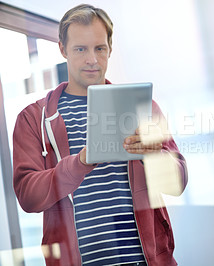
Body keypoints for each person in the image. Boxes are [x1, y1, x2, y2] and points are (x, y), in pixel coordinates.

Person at [12, 4, 188, 266]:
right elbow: (28, 196)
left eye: (99, 48)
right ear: (62, 50)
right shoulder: (32, 119)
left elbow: (177, 183)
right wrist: (80, 163)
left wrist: (153, 155)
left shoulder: (144, 107)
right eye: (80, 49)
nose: (92, 59)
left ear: (109, 49)